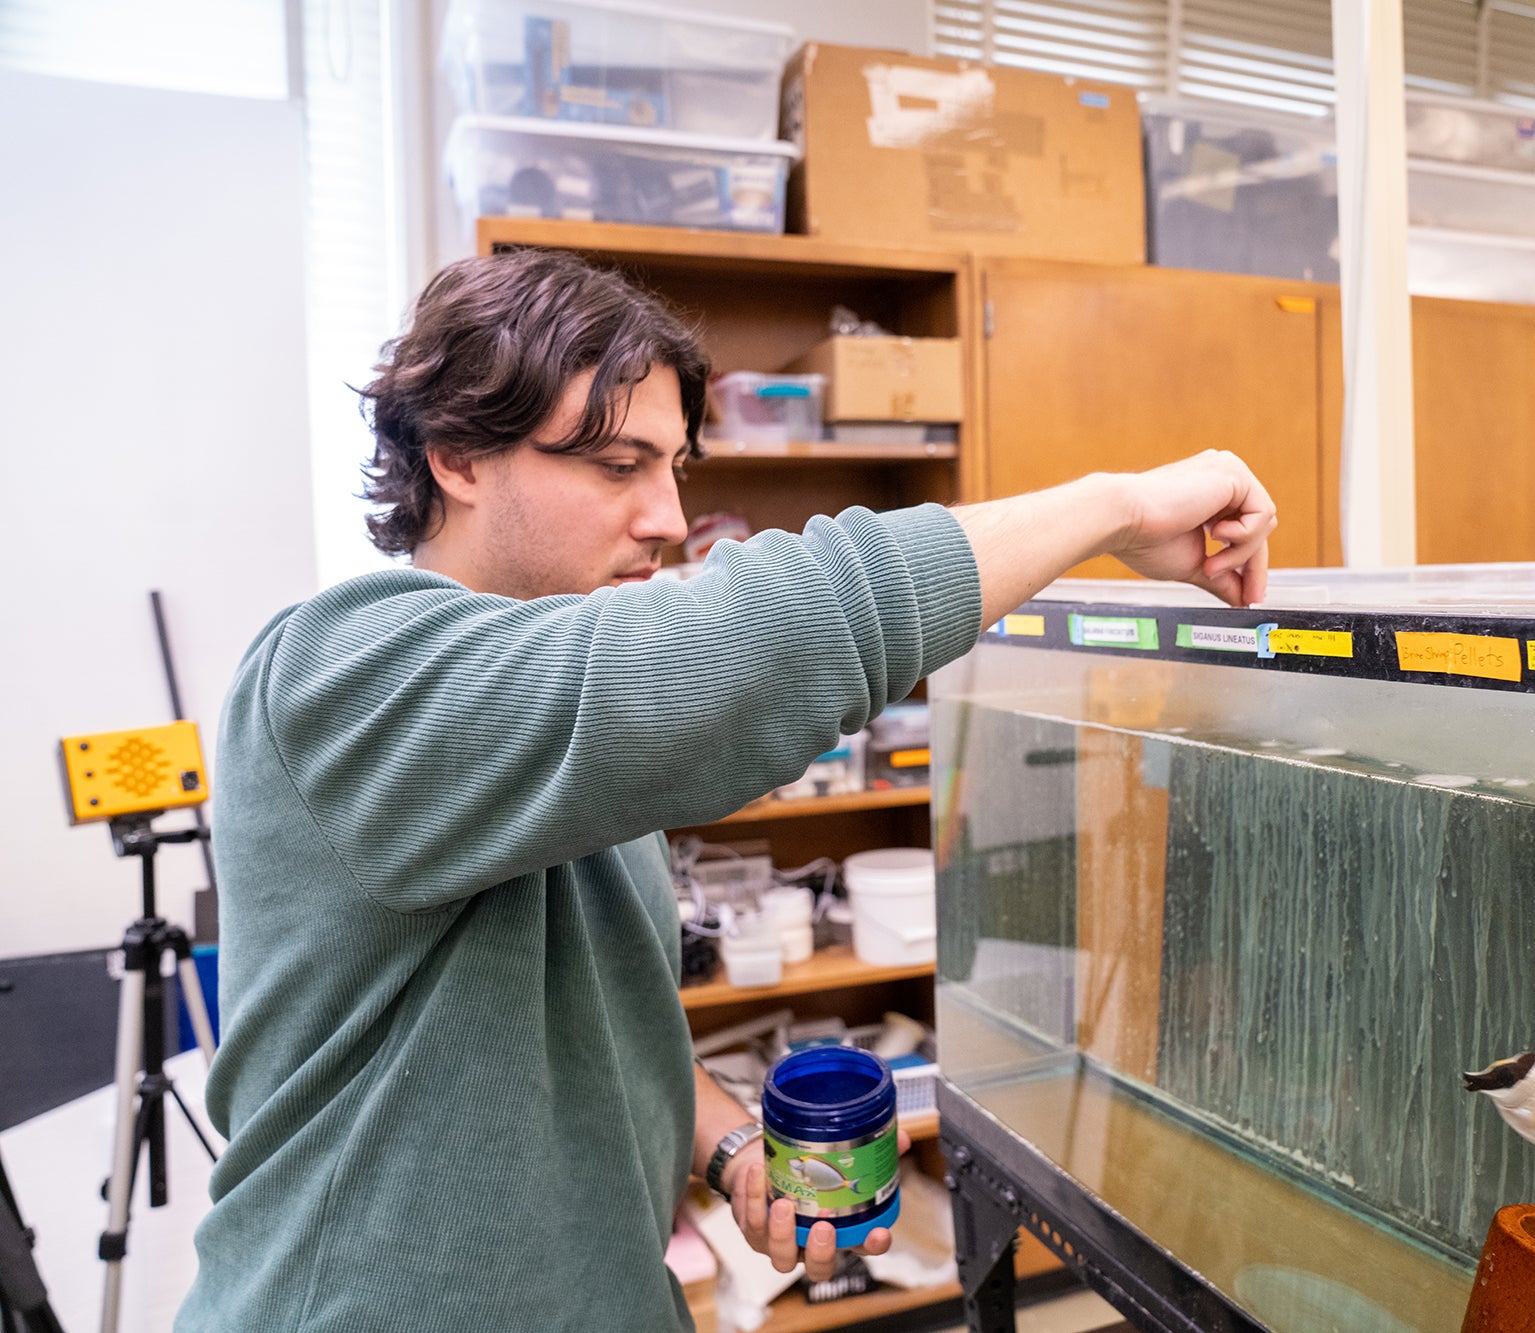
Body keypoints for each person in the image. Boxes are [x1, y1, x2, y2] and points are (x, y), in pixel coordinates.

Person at [178, 249, 1276, 1332]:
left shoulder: (562, 730)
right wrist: (1116, 505)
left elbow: (603, 1030)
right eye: (617, 465)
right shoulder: (337, 672)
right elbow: (757, 635)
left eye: (675, 467)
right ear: (457, 454)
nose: (666, 516)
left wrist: (731, 1142)